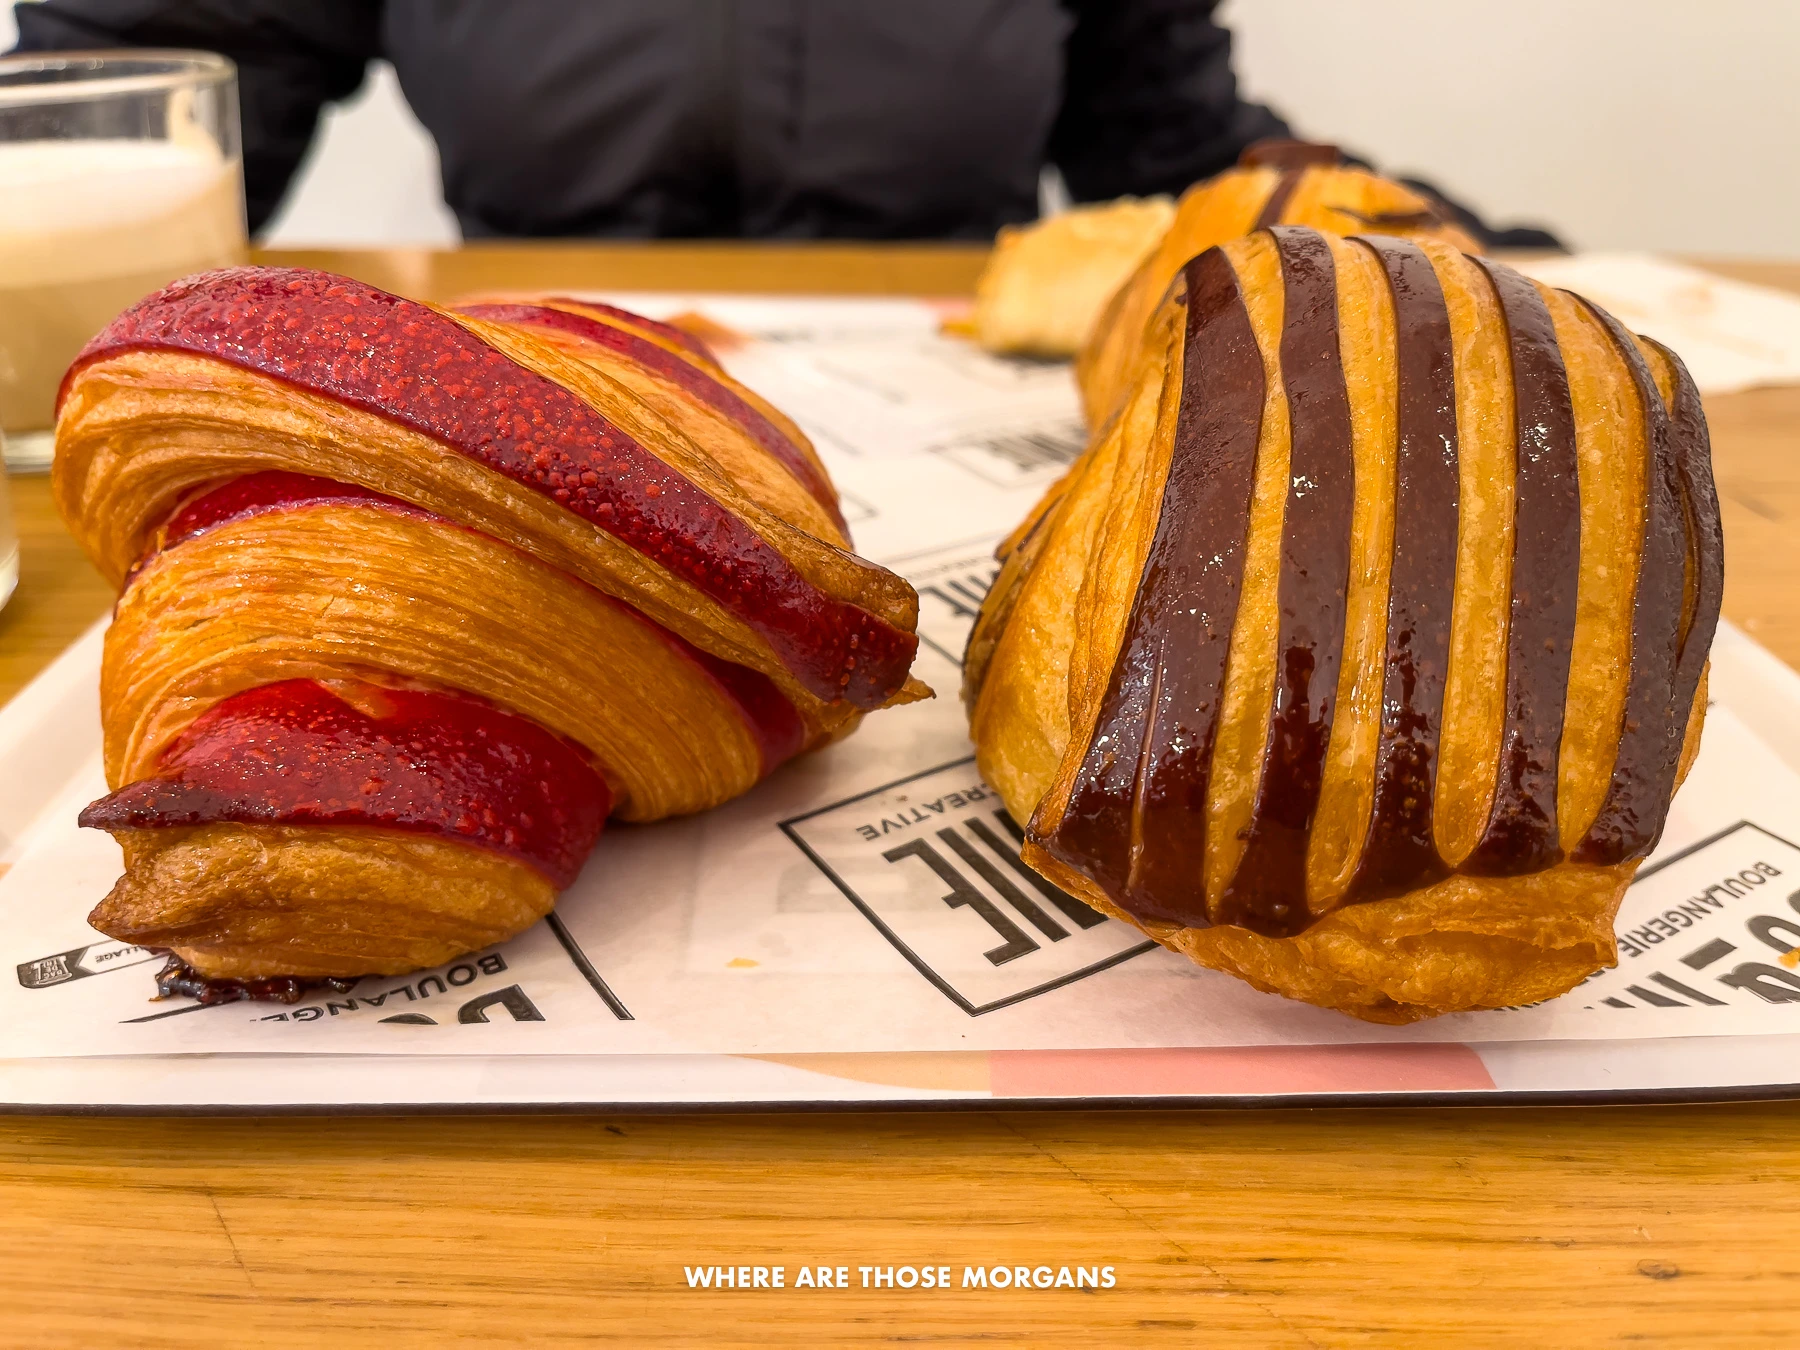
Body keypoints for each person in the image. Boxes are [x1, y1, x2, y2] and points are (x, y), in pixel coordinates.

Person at [10, 0, 1552, 247]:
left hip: (964, 427)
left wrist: (1478, 267)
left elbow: (1171, 143)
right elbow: (164, 64)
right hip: (536, 377)